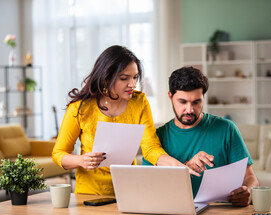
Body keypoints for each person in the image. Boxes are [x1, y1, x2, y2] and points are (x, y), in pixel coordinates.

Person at [52, 45, 184, 196]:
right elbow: (58, 154)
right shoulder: (80, 108)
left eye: (135, 77)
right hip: (90, 194)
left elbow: (150, 148)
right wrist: (81, 160)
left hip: (128, 190)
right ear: (106, 78)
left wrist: (178, 167)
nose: (132, 84)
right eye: (124, 78)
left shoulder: (139, 102)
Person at [143, 66, 259, 206]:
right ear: (170, 97)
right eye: (183, 102)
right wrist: (186, 167)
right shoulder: (156, 138)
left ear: (203, 98)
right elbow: (148, 187)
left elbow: (250, 177)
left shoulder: (227, 129)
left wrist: (248, 191)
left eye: (196, 102)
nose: (190, 110)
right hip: (175, 213)